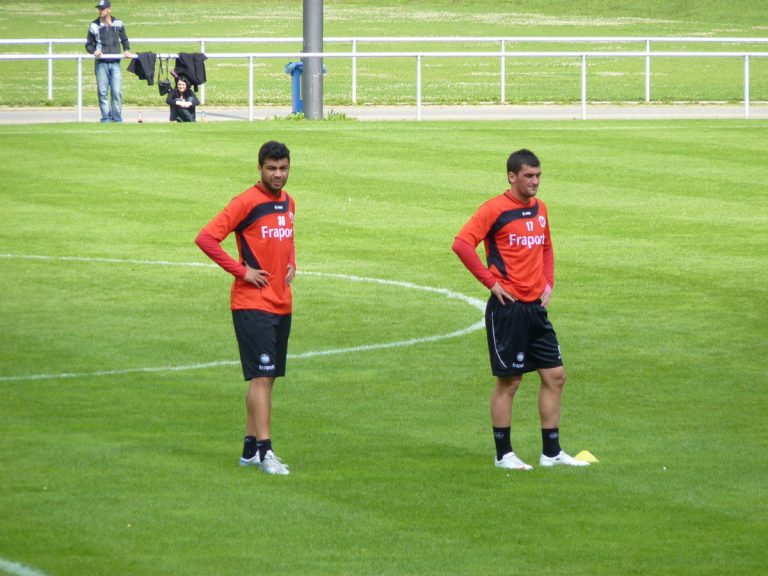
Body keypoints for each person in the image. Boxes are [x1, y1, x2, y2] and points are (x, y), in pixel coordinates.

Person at [452, 149, 589, 471]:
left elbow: (546, 247)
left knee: (555, 376)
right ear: (512, 176)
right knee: (510, 381)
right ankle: (504, 455)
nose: (535, 182)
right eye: (528, 176)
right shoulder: (494, 209)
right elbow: (461, 244)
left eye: (538, 176)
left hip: (535, 309)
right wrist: (491, 282)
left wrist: (548, 282)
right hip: (508, 309)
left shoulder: (541, 208)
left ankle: (551, 453)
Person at [195, 141, 296, 476]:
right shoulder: (246, 202)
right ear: (260, 168)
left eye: (283, 168)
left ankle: (250, 451)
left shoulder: (289, 202)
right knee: (262, 376)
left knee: (266, 379)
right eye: (272, 168)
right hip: (252, 304)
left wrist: (292, 262)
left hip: (281, 302)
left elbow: (286, 238)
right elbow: (206, 238)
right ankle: (267, 452)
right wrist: (242, 272)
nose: (278, 174)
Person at [85, 0, 131, 123]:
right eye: (99, 9)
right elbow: (88, 45)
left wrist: (127, 50)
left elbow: (124, 40)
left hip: (115, 63)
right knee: (102, 92)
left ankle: (117, 118)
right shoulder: (94, 25)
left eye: (102, 9)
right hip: (101, 64)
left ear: (109, 10)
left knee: (116, 92)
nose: (100, 11)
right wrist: (94, 51)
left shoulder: (118, 23)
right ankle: (106, 118)